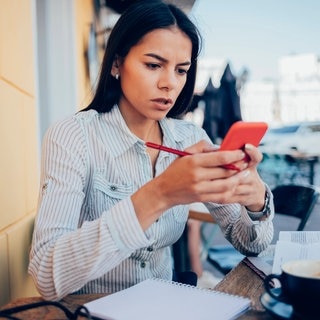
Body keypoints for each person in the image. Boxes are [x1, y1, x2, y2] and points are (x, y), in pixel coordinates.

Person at [28, 0, 274, 301]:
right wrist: (160, 194)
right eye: (153, 65)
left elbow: (250, 244)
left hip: (166, 307)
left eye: (181, 70)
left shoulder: (190, 138)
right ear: (117, 63)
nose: (169, 83)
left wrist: (255, 202)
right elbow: (46, 276)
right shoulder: (73, 136)